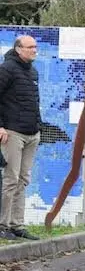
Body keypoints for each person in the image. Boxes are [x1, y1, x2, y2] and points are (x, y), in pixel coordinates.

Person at [0, 35, 41, 241]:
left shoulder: (32, 71)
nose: (34, 50)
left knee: (23, 180)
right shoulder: (6, 69)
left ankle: (17, 225)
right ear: (18, 49)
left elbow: (34, 101)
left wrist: (38, 126)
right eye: (30, 47)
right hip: (12, 132)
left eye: (35, 46)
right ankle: (2, 225)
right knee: (11, 179)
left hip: (32, 133)